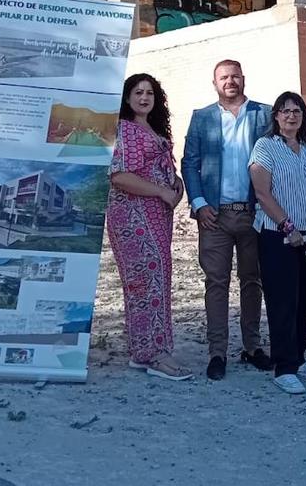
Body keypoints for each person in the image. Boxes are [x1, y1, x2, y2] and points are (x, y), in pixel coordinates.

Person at [182, 59, 274, 379]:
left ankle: (252, 347)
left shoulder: (265, 114)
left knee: (253, 282)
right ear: (215, 83)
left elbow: (274, 160)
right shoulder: (202, 118)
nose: (230, 81)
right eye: (224, 77)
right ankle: (217, 352)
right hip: (214, 217)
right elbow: (189, 164)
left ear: (243, 79)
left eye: (235, 76)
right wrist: (198, 203)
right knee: (216, 284)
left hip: (254, 213)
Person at [106, 73, 192, 381]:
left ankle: (155, 350)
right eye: (138, 92)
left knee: (157, 278)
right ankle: (150, 354)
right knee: (144, 281)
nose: (144, 98)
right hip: (133, 216)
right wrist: (161, 191)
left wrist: (175, 185)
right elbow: (120, 176)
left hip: (156, 217)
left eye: (150, 94)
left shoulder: (151, 130)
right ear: (127, 97)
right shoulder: (125, 130)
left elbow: (158, 171)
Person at [248, 91, 306, 395]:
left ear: (303, 116)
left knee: (304, 298)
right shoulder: (265, 147)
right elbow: (262, 193)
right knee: (282, 301)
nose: (291, 116)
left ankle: (299, 358)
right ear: (276, 117)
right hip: (278, 236)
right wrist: (288, 226)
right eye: (284, 111)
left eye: (296, 111)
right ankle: (283, 367)